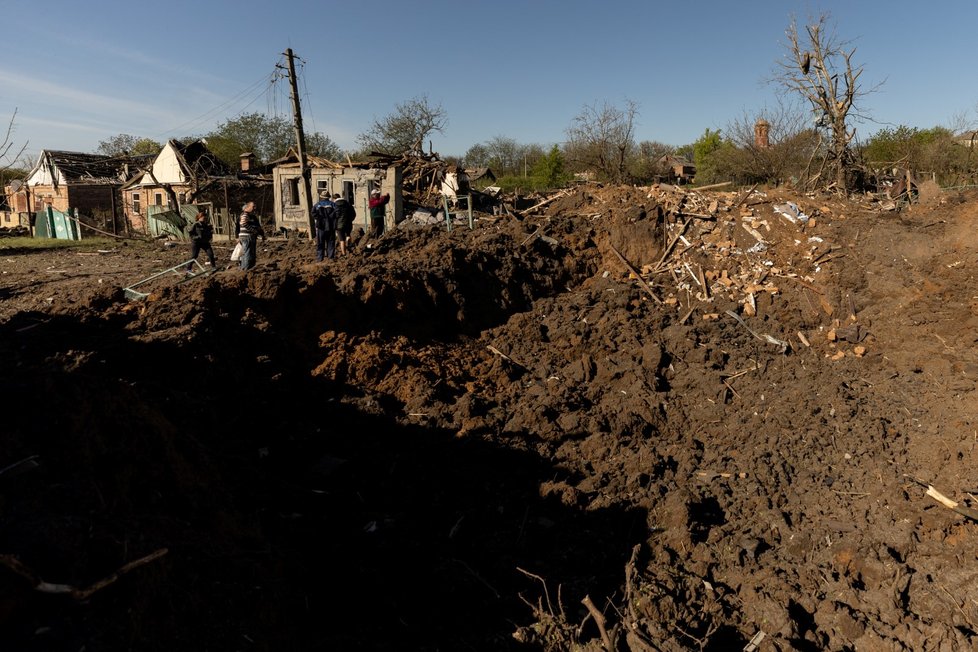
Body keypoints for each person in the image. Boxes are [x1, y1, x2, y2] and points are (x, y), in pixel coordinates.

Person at [236, 201, 265, 270]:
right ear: (248, 207)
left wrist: (260, 233)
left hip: (249, 236)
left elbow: (258, 226)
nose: (254, 208)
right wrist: (254, 231)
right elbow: (243, 224)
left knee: (248, 253)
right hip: (247, 236)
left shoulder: (251, 216)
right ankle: (246, 269)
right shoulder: (245, 214)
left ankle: (247, 268)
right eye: (253, 206)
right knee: (247, 253)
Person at [312, 191, 338, 261]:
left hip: (321, 227)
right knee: (331, 242)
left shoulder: (317, 205)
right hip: (331, 226)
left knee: (320, 243)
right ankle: (331, 257)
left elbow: (313, 213)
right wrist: (331, 218)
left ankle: (320, 258)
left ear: (321, 197)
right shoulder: (333, 204)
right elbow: (337, 213)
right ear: (328, 197)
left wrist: (319, 218)